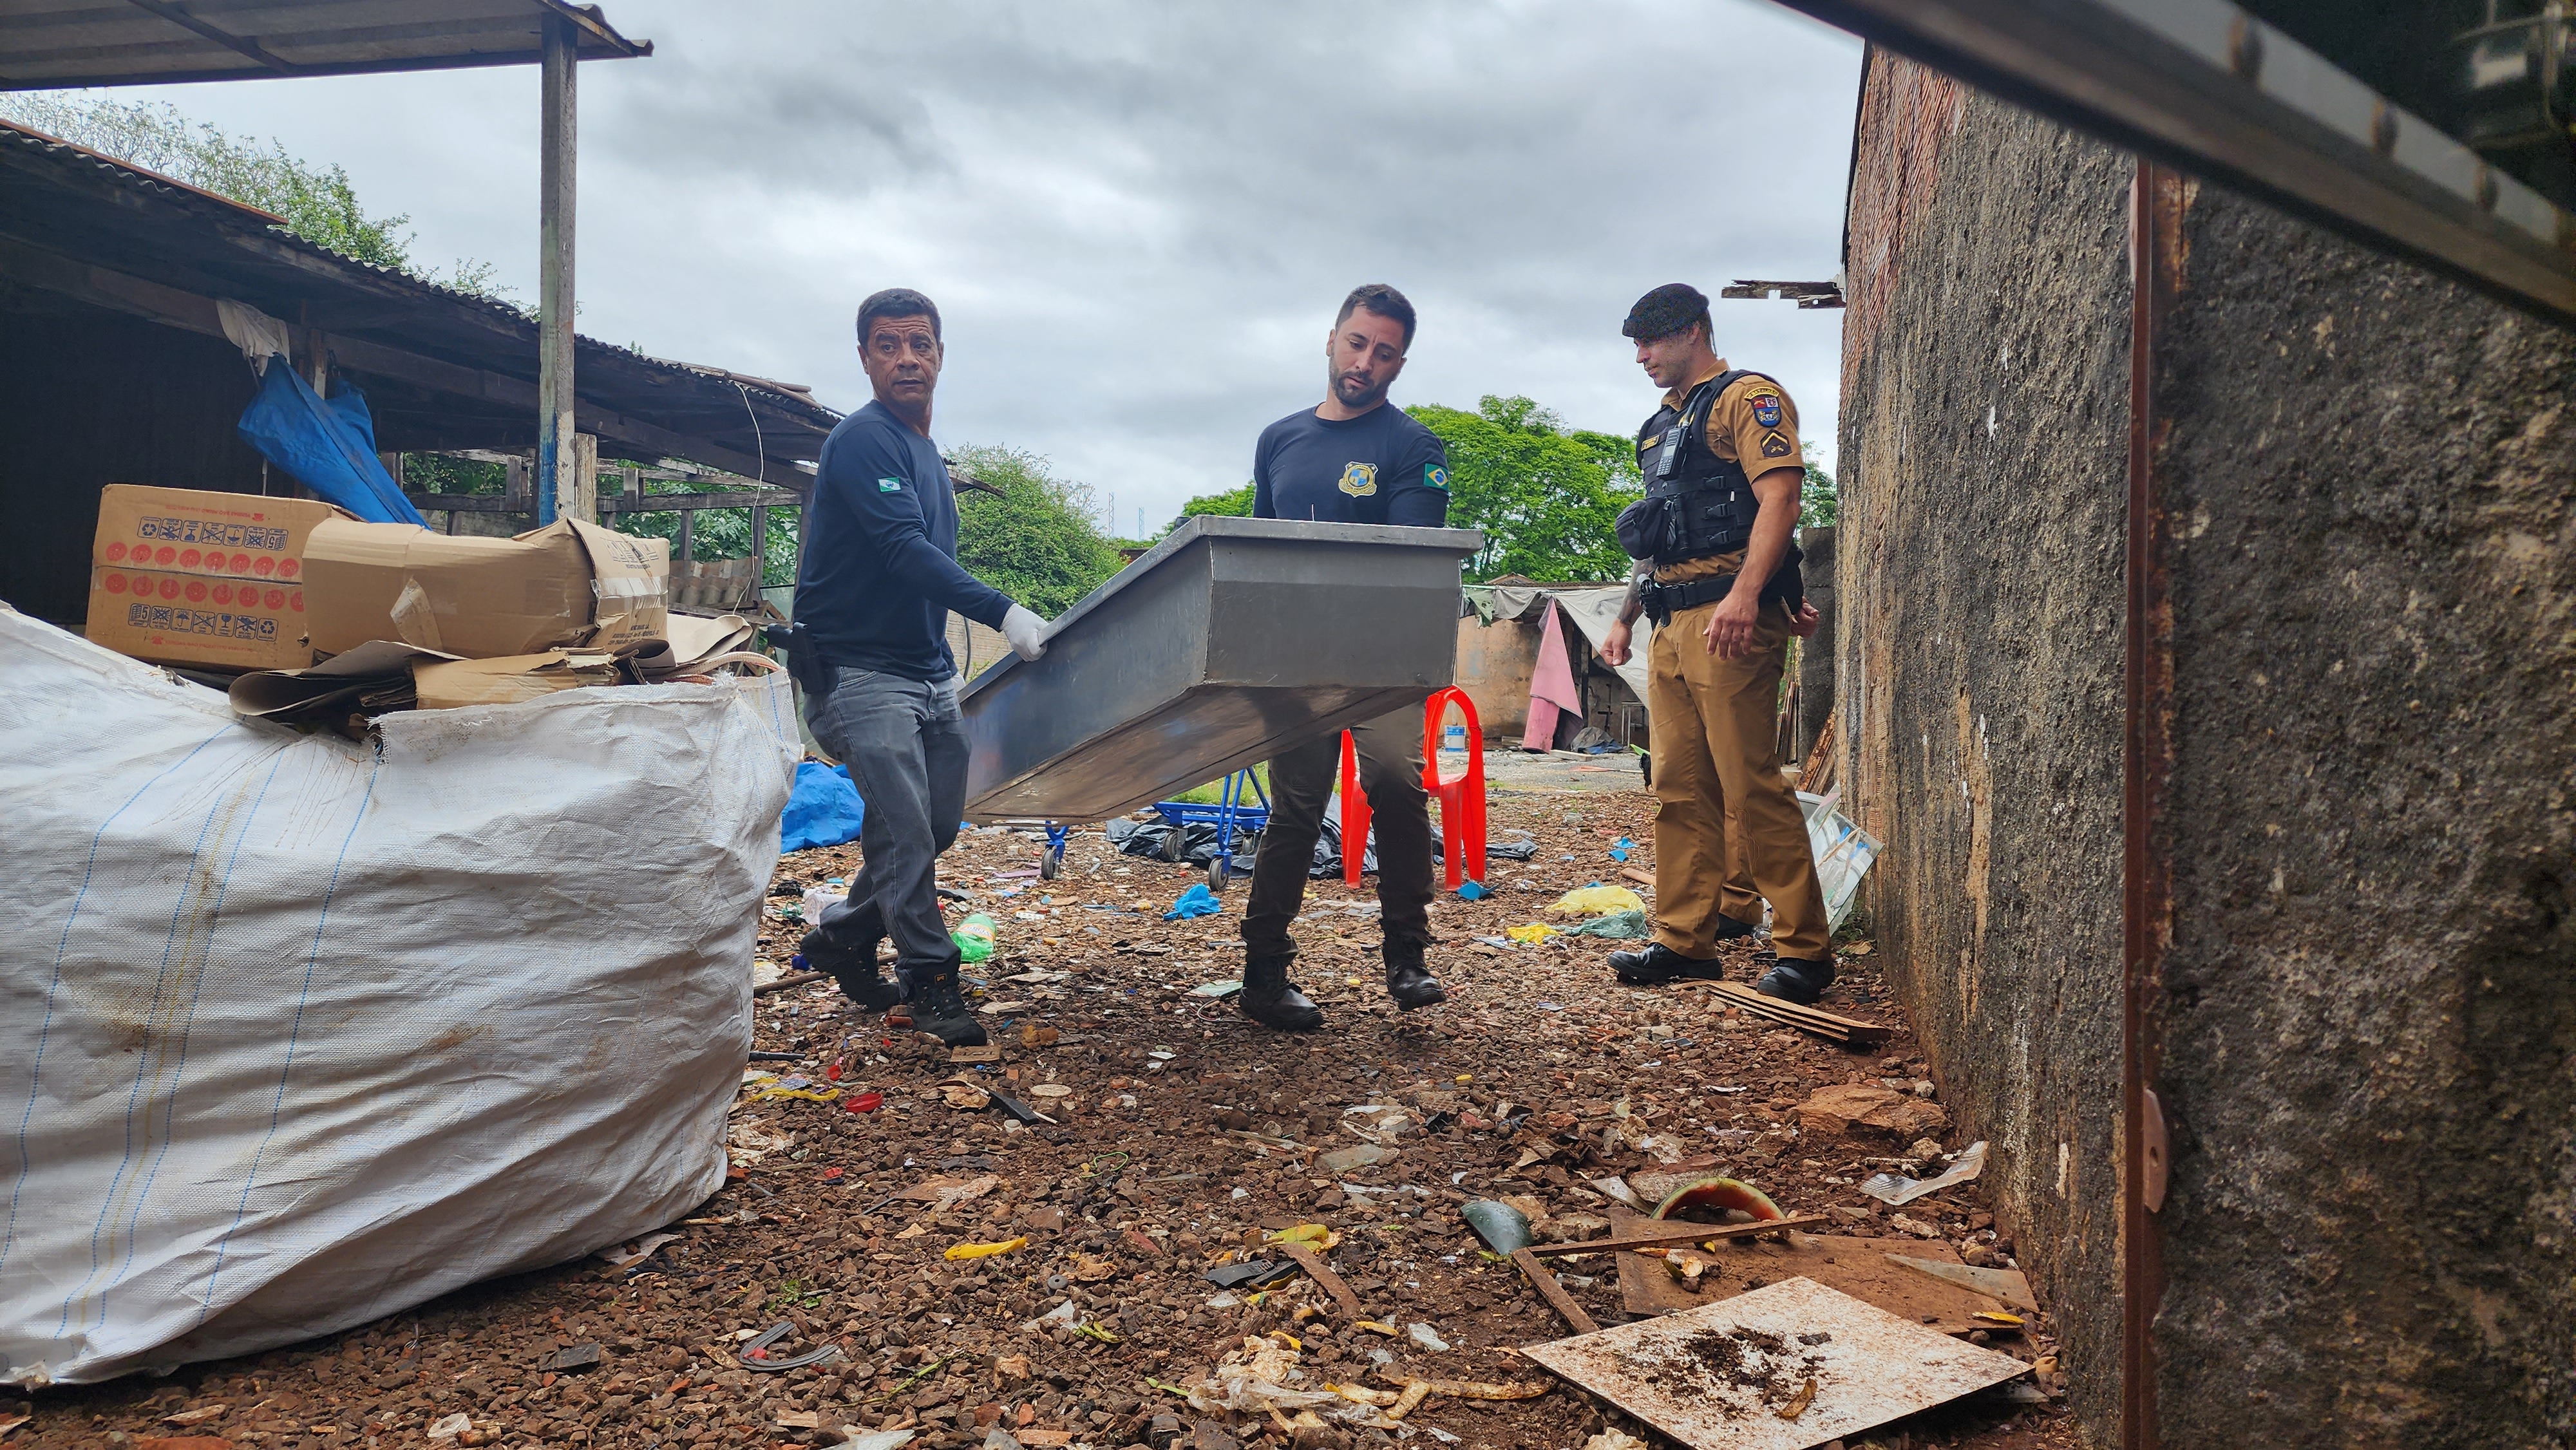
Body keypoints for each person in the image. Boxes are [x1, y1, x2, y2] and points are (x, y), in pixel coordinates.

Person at [792, 288, 1051, 1046]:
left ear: (940, 353)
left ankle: (842, 935)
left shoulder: (925, 452)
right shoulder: (863, 440)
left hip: (927, 670)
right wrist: (1004, 611)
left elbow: (926, 559)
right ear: (865, 358)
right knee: (906, 832)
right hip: (858, 673)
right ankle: (930, 978)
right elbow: (905, 551)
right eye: (886, 344)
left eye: (920, 342)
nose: (906, 357)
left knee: (934, 825)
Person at [1596, 283, 1836, 1004]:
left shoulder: (1748, 398)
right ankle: (1684, 940)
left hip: (1728, 617)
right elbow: (1658, 535)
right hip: (1672, 620)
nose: (1640, 355)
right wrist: (1626, 614)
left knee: (1749, 782)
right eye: (1635, 343)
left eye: (1652, 340)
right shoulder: (1659, 427)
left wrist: (1750, 595)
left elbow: (1781, 499)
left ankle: (1805, 950)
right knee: (1677, 787)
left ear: (1694, 331)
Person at [1235, 283, 1452, 1031]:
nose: (1366, 361)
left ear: (1399, 362)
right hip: (1294, 659)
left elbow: (1408, 563)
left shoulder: (1413, 447)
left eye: (1384, 352)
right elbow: (1262, 549)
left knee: (1394, 783)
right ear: (1330, 339)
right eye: (1356, 342)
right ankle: (1262, 971)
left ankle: (1407, 956)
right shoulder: (1279, 439)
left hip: (1380, 658)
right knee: (1294, 808)